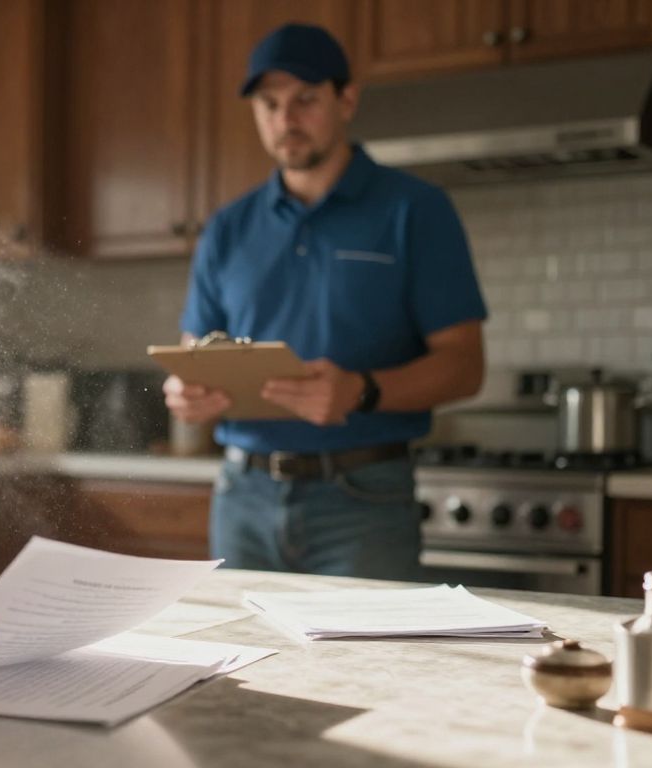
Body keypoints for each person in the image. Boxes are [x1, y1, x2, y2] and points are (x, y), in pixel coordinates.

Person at [164, 24, 486, 580]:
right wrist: (185, 393)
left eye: (305, 100)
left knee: (371, 668)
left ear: (347, 100)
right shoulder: (226, 228)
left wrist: (362, 390)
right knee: (246, 664)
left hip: (365, 500)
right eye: (269, 104)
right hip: (242, 496)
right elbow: (196, 353)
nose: (285, 120)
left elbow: (465, 365)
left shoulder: (416, 210)